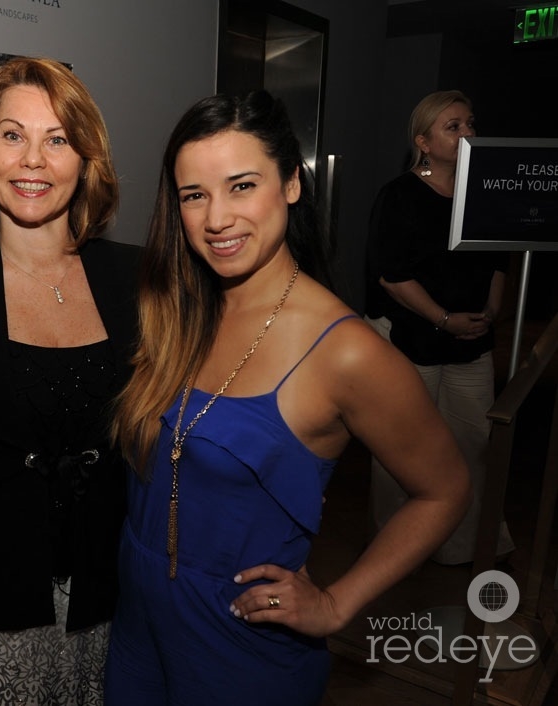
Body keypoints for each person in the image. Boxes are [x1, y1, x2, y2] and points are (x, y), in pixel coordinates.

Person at [103, 89, 471, 705]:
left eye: (242, 185)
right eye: (195, 195)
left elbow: (446, 489)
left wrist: (336, 603)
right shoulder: (178, 309)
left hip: (238, 645)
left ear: (292, 185)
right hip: (137, 624)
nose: (216, 218)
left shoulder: (345, 352)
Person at [0, 56, 141, 705]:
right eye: (12, 134)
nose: (33, 160)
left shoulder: (139, 280)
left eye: (57, 139)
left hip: (110, 595)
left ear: (87, 158)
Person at [365, 89, 515, 566]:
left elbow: (498, 260)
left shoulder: (484, 192)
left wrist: (489, 312)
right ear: (424, 142)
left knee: (473, 443)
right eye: (454, 126)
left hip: (472, 342)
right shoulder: (399, 195)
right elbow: (392, 274)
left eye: (471, 123)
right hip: (413, 340)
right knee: (402, 448)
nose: (468, 132)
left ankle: (466, 544)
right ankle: (397, 549)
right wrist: (444, 320)